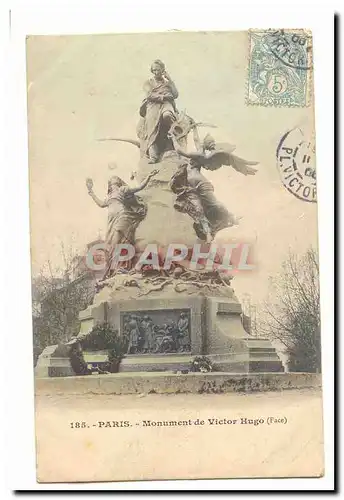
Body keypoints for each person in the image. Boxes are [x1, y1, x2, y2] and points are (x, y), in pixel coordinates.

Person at [86, 169, 158, 278]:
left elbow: (139, 188)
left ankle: (123, 266)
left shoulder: (123, 190)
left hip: (122, 217)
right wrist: (91, 192)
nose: (112, 185)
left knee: (119, 240)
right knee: (113, 245)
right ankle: (116, 269)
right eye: (110, 183)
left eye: (114, 182)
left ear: (118, 184)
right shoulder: (109, 197)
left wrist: (148, 176)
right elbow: (100, 204)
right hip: (112, 221)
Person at [137, 59, 179, 163]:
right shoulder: (148, 82)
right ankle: (153, 156)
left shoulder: (167, 83)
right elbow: (149, 95)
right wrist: (164, 96)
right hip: (153, 105)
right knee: (151, 128)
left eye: (158, 70)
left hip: (166, 104)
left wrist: (170, 80)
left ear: (163, 70)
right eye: (154, 70)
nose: (156, 72)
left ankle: (173, 138)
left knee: (168, 115)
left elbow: (175, 94)